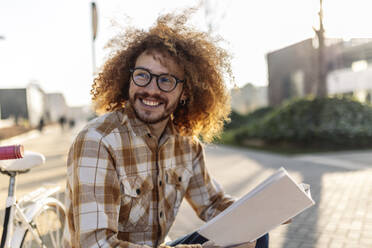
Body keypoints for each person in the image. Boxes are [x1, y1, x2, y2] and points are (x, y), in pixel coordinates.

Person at [64, 10, 269, 248]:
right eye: (142, 75)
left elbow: (213, 204)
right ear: (128, 79)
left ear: (185, 92)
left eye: (166, 80)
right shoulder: (98, 141)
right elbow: (95, 244)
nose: (151, 89)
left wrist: (264, 209)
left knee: (254, 229)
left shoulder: (187, 144)